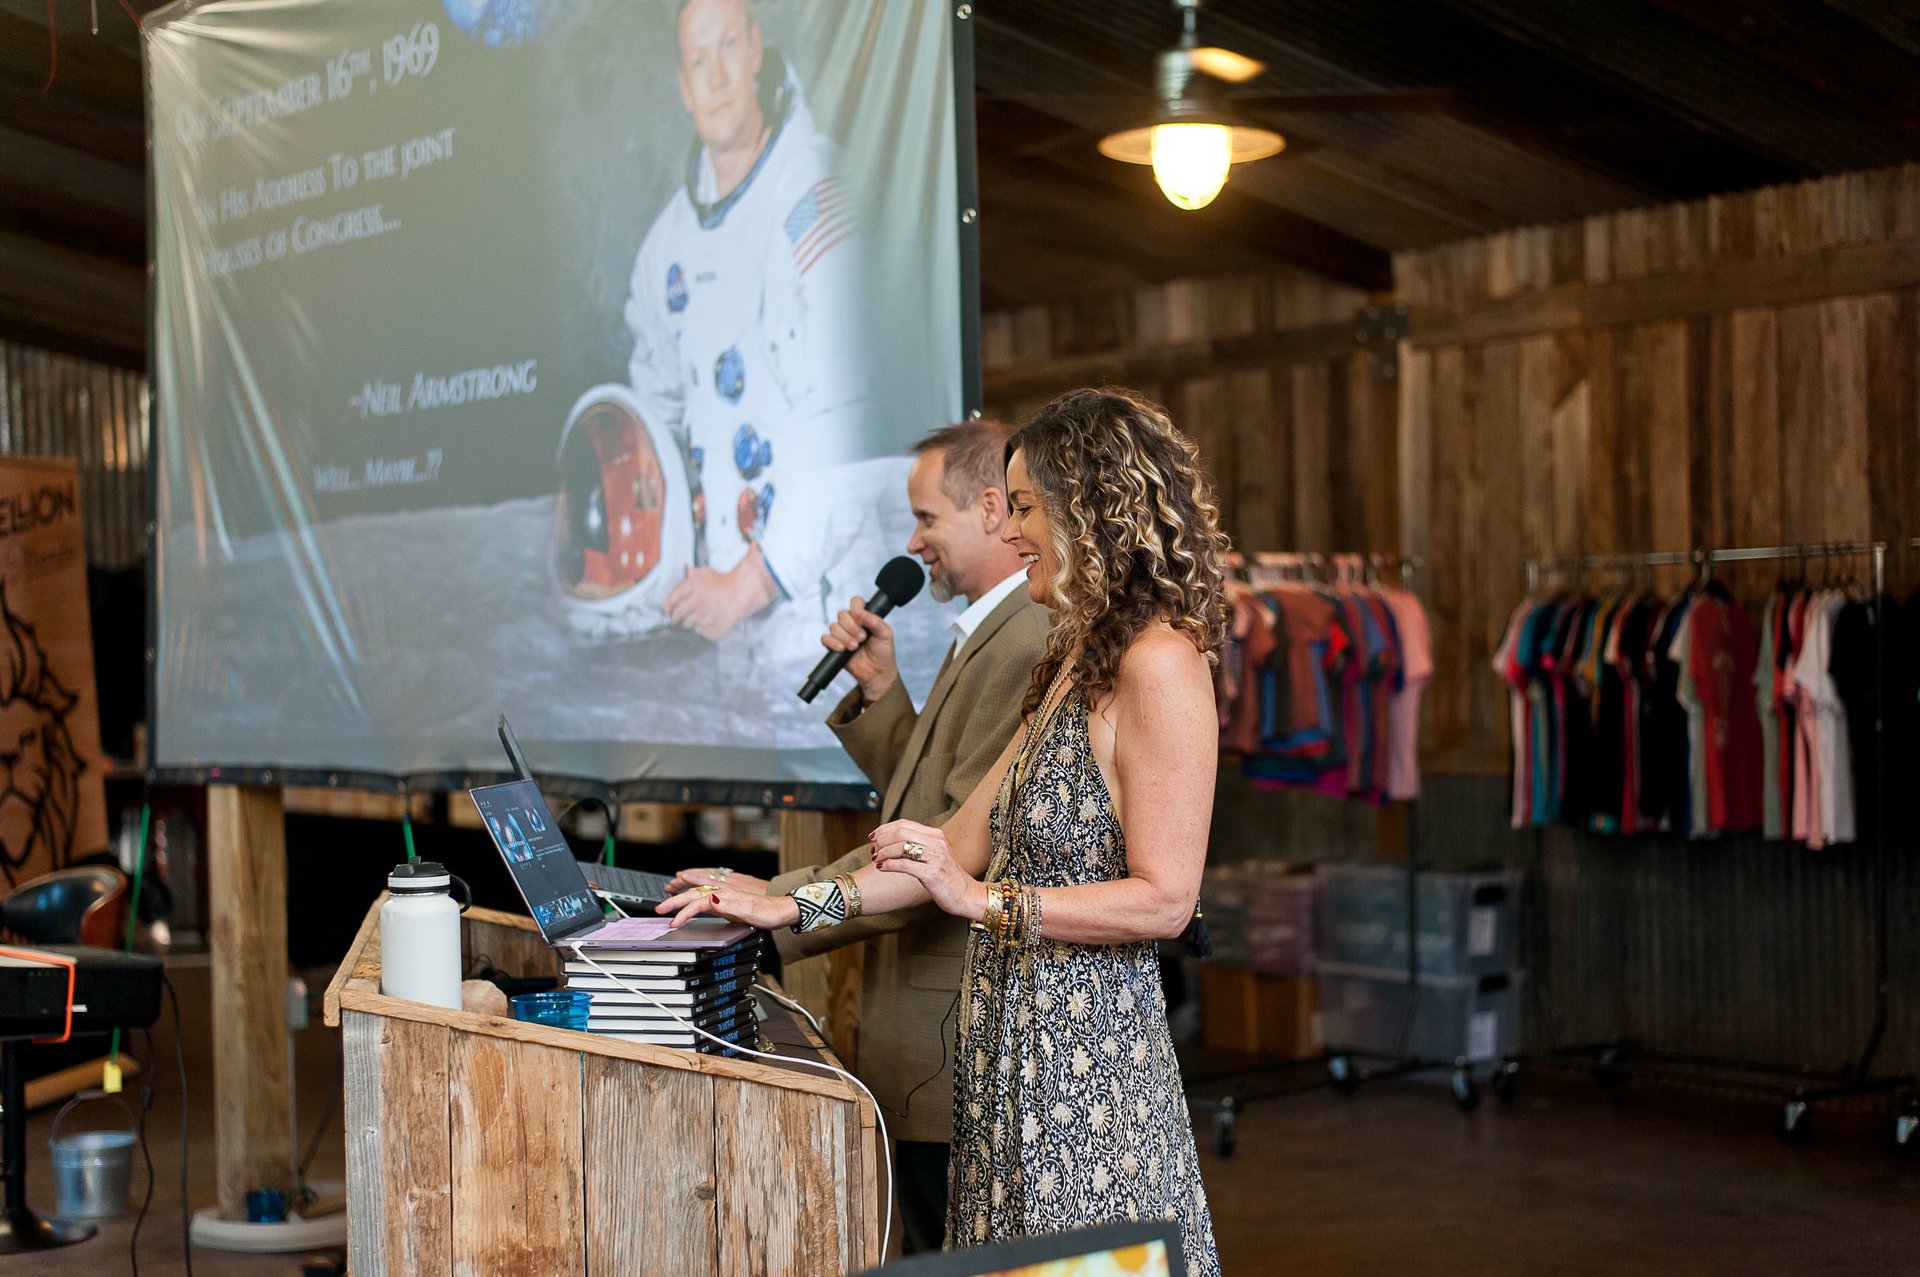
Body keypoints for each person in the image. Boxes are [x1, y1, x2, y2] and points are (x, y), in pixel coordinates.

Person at [662, 389, 1227, 1274]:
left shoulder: (1161, 659)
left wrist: (981, 900)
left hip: (1089, 1081)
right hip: (1004, 1068)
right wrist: (784, 906)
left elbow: (1165, 900)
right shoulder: (1076, 656)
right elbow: (953, 844)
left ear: (1089, 505)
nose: (1018, 532)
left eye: (1030, 509)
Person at [667, 418, 1049, 1253]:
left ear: (991, 510)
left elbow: (947, 846)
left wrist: (771, 899)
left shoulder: (1025, 636)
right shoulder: (987, 629)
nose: (913, 544)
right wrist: (883, 695)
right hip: (921, 1034)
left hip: (951, 1036)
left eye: (927, 520)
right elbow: (940, 795)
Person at [622, 0, 873, 642]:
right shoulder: (663, 251)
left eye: (729, 47)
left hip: (822, 601)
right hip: (716, 608)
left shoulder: (819, 194)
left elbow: (849, 423)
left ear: (758, 49)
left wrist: (751, 583)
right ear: (682, 88)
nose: (717, 76)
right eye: (698, 60)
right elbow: (656, 427)